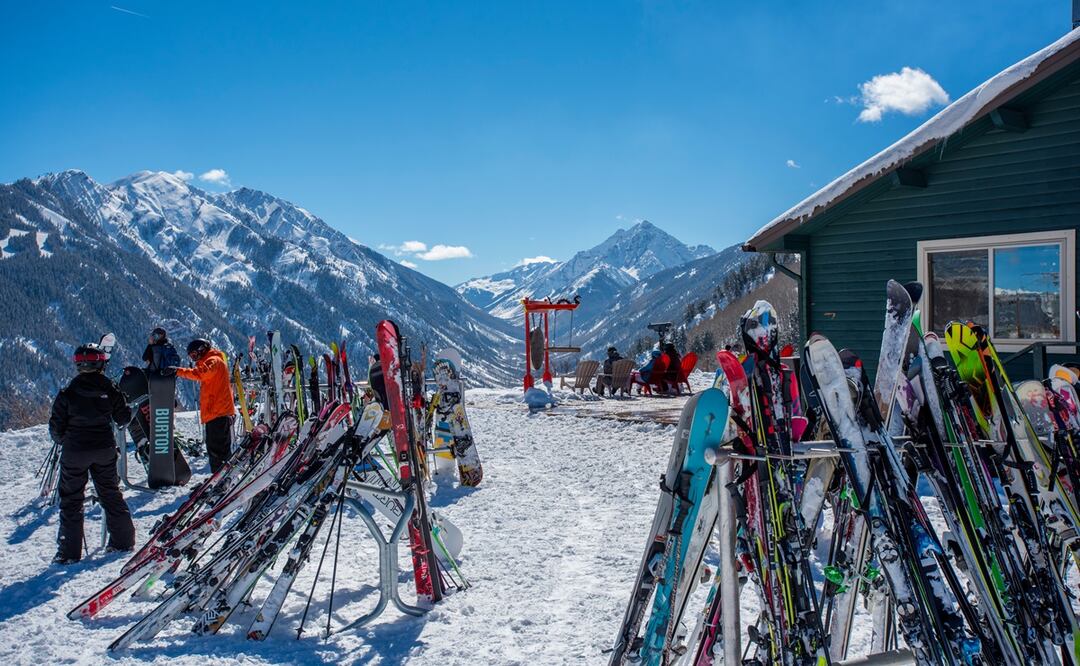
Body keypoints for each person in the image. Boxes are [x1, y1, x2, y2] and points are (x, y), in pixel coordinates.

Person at [49, 344, 136, 564]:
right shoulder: (110, 388)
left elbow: (56, 428)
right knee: (110, 493)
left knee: (71, 499)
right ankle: (123, 541)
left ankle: (68, 553)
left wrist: (66, 440)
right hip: (104, 448)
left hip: (75, 450)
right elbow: (123, 418)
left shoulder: (68, 392)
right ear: (101, 364)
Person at [175, 338, 235, 473]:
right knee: (216, 449)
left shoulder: (214, 361)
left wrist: (178, 371)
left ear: (202, 350)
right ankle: (222, 476)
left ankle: (222, 477)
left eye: (194, 354)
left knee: (217, 450)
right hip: (216, 412)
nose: (194, 359)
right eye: (191, 356)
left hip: (218, 412)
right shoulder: (211, 361)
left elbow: (201, 373)